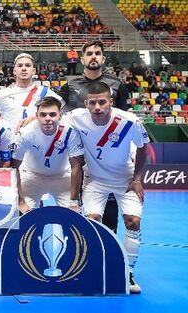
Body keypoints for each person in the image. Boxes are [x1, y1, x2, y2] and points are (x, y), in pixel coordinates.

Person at [65, 81, 149, 294]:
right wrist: (27, 119)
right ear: (86, 104)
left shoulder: (130, 121)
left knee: (133, 221)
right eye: (92, 103)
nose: (97, 108)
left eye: (102, 102)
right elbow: (52, 116)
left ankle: (128, 272)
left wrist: (137, 178)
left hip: (126, 179)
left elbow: (143, 148)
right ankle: (94, 267)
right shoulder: (76, 117)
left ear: (111, 102)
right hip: (95, 180)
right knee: (93, 220)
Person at [57, 40, 131, 233]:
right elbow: (53, 111)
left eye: (97, 53)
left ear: (103, 58)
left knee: (108, 214)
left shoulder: (117, 85)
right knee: (79, 209)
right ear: (82, 59)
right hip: (77, 157)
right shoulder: (70, 86)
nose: (93, 56)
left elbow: (127, 121)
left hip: (108, 158)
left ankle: (110, 248)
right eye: (89, 53)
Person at [11, 97, 84, 214]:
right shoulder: (25, 133)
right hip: (31, 176)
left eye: (52, 114)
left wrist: (74, 202)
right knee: (23, 216)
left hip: (62, 176)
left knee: (73, 216)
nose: (48, 119)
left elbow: (76, 166)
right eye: (43, 115)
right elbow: (14, 167)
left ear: (60, 115)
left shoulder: (70, 132)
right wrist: (21, 201)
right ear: (37, 116)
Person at [0, 53, 63, 130]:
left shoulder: (45, 92)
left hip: (36, 140)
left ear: (34, 71)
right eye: (20, 65)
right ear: (14, 71)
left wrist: (36, 117)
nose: (24, 68)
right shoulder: (3, 94)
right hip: (10, 140)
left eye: (27, 65)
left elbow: (63, 113)